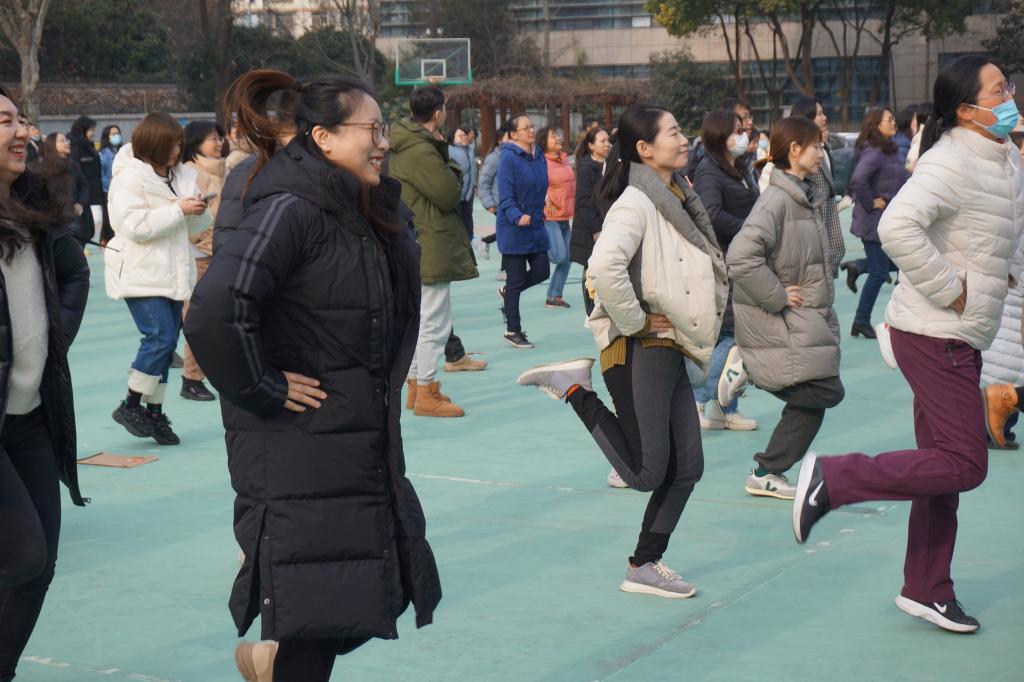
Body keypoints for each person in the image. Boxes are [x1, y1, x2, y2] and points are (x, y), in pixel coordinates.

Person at [184, 68, 441, 681]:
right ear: (323, 137)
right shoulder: (291, 207)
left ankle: (271, 659)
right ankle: (276, 660)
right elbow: (214, 312)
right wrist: (264, 387)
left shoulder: (357, 204)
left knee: (368, 590)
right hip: (298, 442)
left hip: (351, 431)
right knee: (324, 607)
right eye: (372, 129)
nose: (383, 142)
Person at [792, 56, 1024, 634]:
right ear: (966, 110)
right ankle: (833, 479)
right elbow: (897, 228)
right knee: (964, 462)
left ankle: (926, 588)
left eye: (1009, 86)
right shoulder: (950, 162)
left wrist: (999, 277)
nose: (1010, 97)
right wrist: (953, 289)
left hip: (961, 331)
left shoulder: (1003, 155)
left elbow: (993, 232)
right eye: (999, 91)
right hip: (934, 332)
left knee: (940, 469)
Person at [517, 103, 728, 597]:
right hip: (637, 348)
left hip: (669, 345)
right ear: (644, 149)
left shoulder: (677, 195)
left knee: (688, 468)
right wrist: (636, 321)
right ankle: (573, 389)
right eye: (673, 132)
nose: (683, 139)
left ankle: (644, 564)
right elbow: (603, 268)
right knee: (645, 472)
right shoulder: (636, 203)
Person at [0, 87, 89, 681]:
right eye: (2, 121)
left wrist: (54, 341)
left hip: (31, 416)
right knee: (23, 551)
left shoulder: (33, 207)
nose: (19, 130)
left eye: (19, 119)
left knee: (40, 564)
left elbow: (75, 274)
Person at [728, 116, 845, 500]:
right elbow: (740, 257)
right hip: (787, 316)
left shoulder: (802, 196)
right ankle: (747, 368)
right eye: (815, 146)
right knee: (825, 390)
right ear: (794, 150)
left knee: (819, 397)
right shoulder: (777, 200)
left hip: (807, 314)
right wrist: (776, 294)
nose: (820, 152)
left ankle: (767, 471)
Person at [105, 112, 213, 446]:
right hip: (141, 271)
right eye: (170, 145)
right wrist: (179, 209)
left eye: (178, 144)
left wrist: (197, 210)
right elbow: (134, 226)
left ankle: (154, 412)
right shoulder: (129, 178)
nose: (176, 151)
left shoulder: (182, 175)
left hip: (174, 271)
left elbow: (195, 227)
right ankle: (130, 404)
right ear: (152, 144)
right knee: (160, 338)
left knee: (166, 344)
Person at [389, 86, 484, 418]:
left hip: (416, 237)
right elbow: (448, 193)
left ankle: (417, 387)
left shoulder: (407, 144)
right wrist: (451, 164)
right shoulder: (421, 150)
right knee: (434, 322)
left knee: (423, 319)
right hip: (429, 239)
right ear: (438, 113)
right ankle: (426, 390)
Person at [692, 109, 760, 432]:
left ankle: (726, 406)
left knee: (735, 336)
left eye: (743, 129)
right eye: (736, 131)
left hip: (743, 260)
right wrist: (750, 229)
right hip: (723, 262)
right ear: (720, 136)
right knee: (731, 335)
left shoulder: (741, 167)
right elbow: (710, 213)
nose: (743, 135)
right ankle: (697, 398)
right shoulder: (709, 171)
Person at [847, 108, 909, 339]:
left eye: (893, 118)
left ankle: (858, 267)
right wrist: (870, 202)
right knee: (880, 271)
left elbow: (894, 177)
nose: (894, 122)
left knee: (896, 263)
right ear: (876, 125)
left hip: (884, 220)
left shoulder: (887, 150)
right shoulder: (874, 152)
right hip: (873, 221)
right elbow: (858, 179)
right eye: (889, 119)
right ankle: (861, 321)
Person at [179, 120, 227, 402]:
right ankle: (191, 378)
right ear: (196, 142)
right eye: (213, 138)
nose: (219, 143)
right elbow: (192, 220)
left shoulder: (220, 169)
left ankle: (205, 375)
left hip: (219, 251)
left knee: (216, 318)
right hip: (199, 255)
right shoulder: (192, 172)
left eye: (220, 137)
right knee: (198, 318)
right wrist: (210, 243)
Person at [497, 114, 550, 348]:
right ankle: (513, 330)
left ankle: (508, 290)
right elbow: (505, 196)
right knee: (516, 280)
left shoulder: (539, 155)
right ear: (513, 134)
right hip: (514, 229)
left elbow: (540, 186)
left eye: (532, 126)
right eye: (525, 127)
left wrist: (543, 204)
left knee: (542, 271)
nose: (531, 130)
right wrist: (517, 216)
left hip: (536, 226)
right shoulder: (508, 158)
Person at [785, 97, 845, 277]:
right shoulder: (798, 165)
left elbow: (828, 201)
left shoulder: (822, 152)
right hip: (810, 263)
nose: (825, 118)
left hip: (825, 255)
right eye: (819, 113)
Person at [570, 125, 611, 316]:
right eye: (602, 141)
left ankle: (602, 306)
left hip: (605, 224)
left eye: (608, 140)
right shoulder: (587, 168)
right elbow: (584, 201)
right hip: (590, 229)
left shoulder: (609, 164)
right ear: (591, 145)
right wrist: (596, 228)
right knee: (590, 269)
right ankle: (591, 310)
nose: (607, 144)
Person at [538, 125, 575, 308]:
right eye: (553, 136)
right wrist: (546, 200)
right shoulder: (541, 161)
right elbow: (537, 183)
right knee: (559, 256)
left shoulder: (564, 159)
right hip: (550, 216)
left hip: (564, 216)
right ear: (544, 141)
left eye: (558, 135)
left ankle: (554, 296)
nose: (558, 138)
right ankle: (536, 250)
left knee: (568, 258)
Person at [32, 133, 90, 234]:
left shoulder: (73, 166)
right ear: (52, 144)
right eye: (62, 141)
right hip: (55, 220)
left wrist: (80, 203)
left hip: (73, 217)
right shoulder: (43, 168)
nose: (67, 143)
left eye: (67, 140)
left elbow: (84, 186)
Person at [477, 122, 509, 263]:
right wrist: (489, 203)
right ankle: (505, 268)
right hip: (499, 203)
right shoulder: (494, 158)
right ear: (500, 140)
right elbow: (483, 183)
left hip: (512, 202)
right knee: (509, 233)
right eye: (508, 137)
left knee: (508, 233)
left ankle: (485, 241)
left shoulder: (515, 155)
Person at [68, 115, 102, 245]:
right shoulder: (75, 148)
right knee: (81, 232)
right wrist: (78, 200)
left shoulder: (88, 146)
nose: (93, 133)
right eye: (91, 130)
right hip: (80, 198)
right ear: (82, 130)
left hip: (90, 196)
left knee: (89, 231)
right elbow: (75, 177)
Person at [447, 124, 477, 242]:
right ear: (453, 137)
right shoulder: (449, 150)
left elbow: (472, 169)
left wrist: (474, 184)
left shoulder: (469, 149)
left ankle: (469, 239)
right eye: (460, 136)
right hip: (456, 192)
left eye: (464, 135)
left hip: (469, 192)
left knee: (468, 216)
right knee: (456, 218)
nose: (464, 137)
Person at [99, 125, 123, 245]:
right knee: (108, 219)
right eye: (113, 134)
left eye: (118, 133)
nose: (116, 136)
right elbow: (101, 173)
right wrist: (110, 182)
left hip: (122, 189)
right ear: (107, 137)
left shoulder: (121, 151)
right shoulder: (103, 154)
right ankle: (106, 241)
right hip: (108, 190)